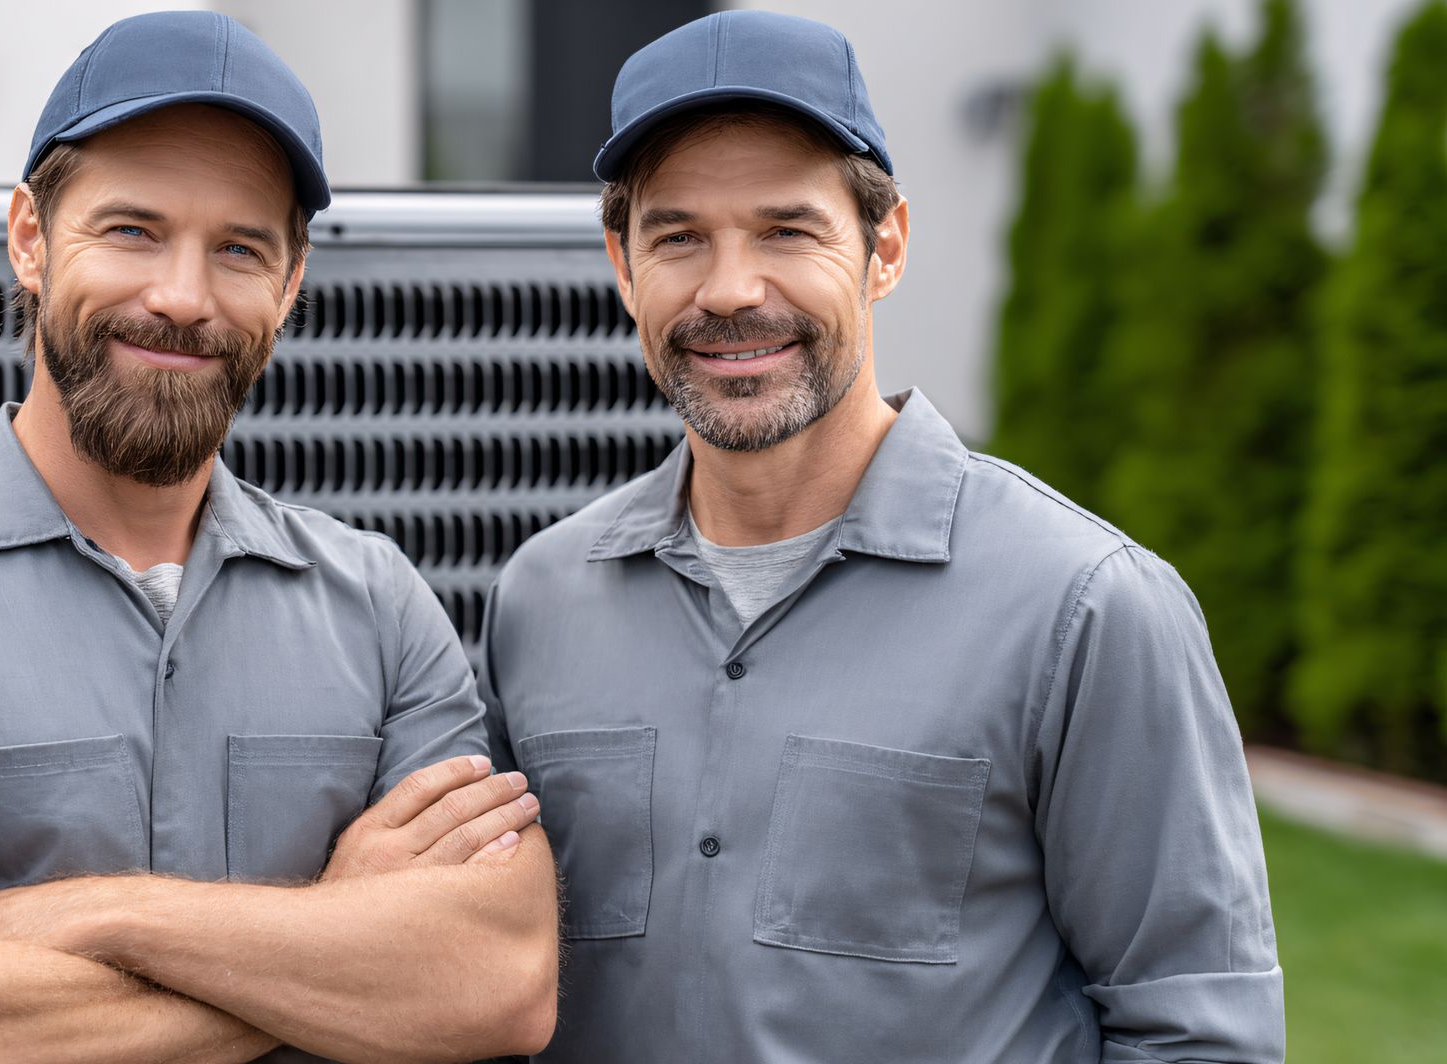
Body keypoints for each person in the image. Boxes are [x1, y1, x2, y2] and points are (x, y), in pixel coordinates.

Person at [0, 12, 557, 1063]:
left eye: (240, 248)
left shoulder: (379, 607)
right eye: (131, 230)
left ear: (291, 284)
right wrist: (332, 938)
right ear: (30, 237)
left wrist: (96, 916)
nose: (179, 297)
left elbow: (497, 979)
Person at [480, 11, 1283, 1063]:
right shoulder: (542, 599)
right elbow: (485, 978)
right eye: (679, 236)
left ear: (885, 246)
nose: (729, 289)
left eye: (786, 230)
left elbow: (1199, 1035)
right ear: (623, 265)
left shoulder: (1085, 606)